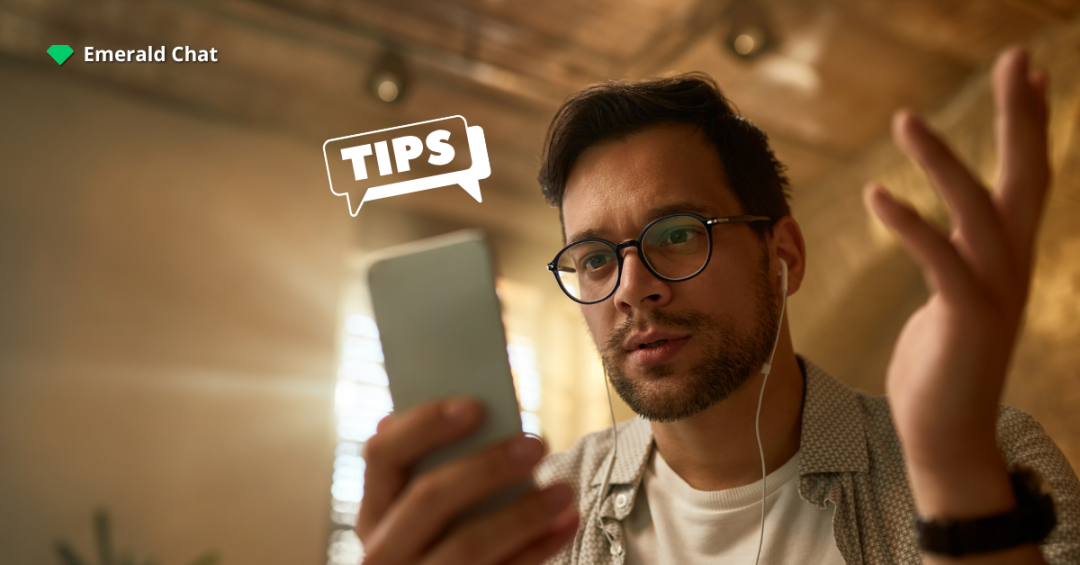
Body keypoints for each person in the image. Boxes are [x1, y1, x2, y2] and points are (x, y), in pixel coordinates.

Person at [355, 47, 1080, 565]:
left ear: (783, 256)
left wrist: (955, 473)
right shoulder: (541, 518)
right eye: (596, 258)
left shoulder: (993, 459)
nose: (631, 286)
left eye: (677, 234)